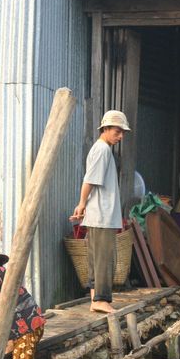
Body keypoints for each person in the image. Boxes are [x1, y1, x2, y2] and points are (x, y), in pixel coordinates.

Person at [70, 110, 130, 313]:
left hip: (99, 214)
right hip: (102, 214)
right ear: (105, 129)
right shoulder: (103, 150)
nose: (120, 136)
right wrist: (81, 203)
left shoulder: (101, 149)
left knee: (97, 258)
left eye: (122, 133)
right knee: (104, 259)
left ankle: (95, 298)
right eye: (117, 131)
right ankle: (101, 299)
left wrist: (83, 205)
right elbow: (89, 180)